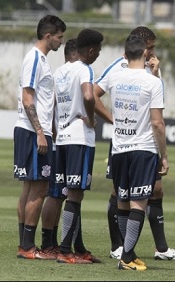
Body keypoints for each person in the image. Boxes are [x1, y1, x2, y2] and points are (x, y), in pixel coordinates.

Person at [93, 26, 175, 262]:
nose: (154, 52)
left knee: (154, 190)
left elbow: (155, 103)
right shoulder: (118, 68)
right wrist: (112, 120)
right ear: (142, 48)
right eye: (152, 47)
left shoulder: (151, 73)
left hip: (139, 143)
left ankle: (159, 249)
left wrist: (156, 74)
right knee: (123, 195)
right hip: (131, 142)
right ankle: (121, 248)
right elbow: (93, 93)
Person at [99, 34, 169, 270]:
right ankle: (126, 257)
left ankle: (128, 252)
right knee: (139, 203)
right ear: (146, 54)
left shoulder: (115, 76)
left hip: (118, 149)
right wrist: (165, 156)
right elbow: (157, 123)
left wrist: (103, 118)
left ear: (125, 55)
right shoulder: (152, 81)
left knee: (122, 201)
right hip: (143, 149)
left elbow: (91, 93)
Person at [14, 14, 66, 260]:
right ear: (48, 36)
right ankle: (27, 247)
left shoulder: (40, 59)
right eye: (59, 37)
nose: (61, 42)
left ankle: (25, 245)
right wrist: (40, 132)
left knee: (30, 186)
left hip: (33, 129)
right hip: (33, 130)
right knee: (40, 186)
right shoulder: (35, 58)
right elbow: (27, 98)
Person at [53, 28, 104, 264]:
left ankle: (79, 248)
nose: (98, 55)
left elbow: (54, 104)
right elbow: (88, 95)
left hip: (62, 137)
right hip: (79, 138)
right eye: (98, 51)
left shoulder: (61, 71)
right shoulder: (84, 69)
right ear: (91, 50)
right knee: (75, 194)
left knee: (74, 194)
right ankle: (65, 250)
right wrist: (91, 118)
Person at [40, 38, 78, 256]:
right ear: (74, 54)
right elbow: (52, 106)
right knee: (55, 194)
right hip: (60, 140)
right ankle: (47, 243)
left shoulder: (60, 74)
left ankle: (52, 241)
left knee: (60, 193)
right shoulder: (67, 73)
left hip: (62, 138)